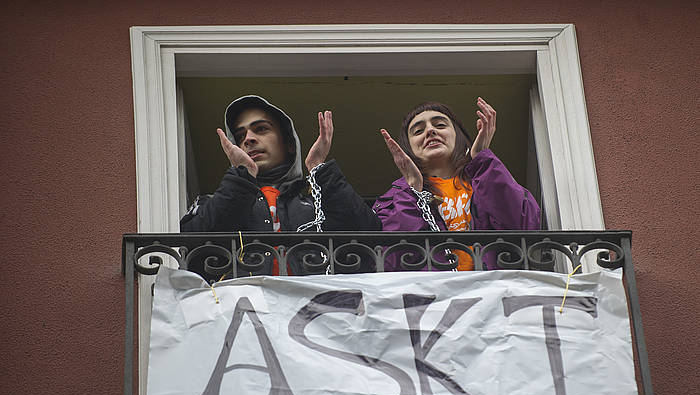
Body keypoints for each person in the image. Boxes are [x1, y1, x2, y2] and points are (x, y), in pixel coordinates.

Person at [181, 95, 379, 274]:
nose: (248, 139)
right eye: (240, 136)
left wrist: (319, 169)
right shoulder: (212, 202)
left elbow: (370, 241)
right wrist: (242, 176)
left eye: (261, 129)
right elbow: (189, 251)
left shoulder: (317, 203)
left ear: (289, 144)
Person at [373, 97, 540, 270]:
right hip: (434, 294)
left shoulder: (485, 178)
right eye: (418, 131)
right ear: (409, 147)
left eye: (440, 125)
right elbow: (391, 260)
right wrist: (412, 187)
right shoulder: (395, 198)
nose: (430, 131)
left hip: (494, 290)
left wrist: (483, 158)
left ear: (457, 136)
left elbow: (524, 227)